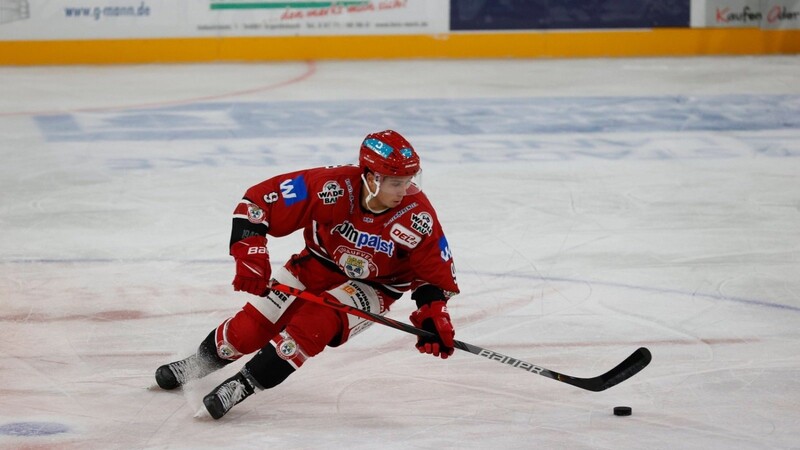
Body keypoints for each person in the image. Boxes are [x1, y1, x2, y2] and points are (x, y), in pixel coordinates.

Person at [154, 130, 460, 419]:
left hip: (376, 286)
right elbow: (257, 205)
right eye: (396, 182)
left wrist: (433, 314)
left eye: (409, 180)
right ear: (370, 176)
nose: (404, 189)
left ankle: (244, 385)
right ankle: (200, 363)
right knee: (250, 329)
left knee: (315, 324)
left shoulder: (416, 215)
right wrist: (251, 256)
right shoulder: (331, 187)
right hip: (317, 264)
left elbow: (433, 271)